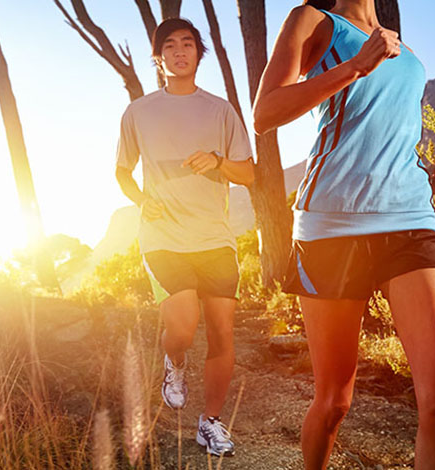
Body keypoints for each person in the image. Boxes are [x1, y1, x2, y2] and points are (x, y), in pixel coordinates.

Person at [252, 1, 435, 469]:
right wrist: (356, 65)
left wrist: (422, 175)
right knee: (334, 402)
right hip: (331, 227)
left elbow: (384, 133)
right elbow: (265, 113)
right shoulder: (311, 21)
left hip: (410, 219)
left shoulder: (401, 48)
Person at [115, 18, 254, 457]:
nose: (179, 51)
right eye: (170, 46)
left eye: (188, 44)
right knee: (182, 323)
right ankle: (174, 362)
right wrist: (140, 199)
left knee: (222, 333)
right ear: (159, 57)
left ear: (199, 53)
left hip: (215, 238)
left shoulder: (221, 110)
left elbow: (248, 173)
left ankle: (210, 423)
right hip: (162, 236)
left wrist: (217, 161)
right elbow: (122, 171)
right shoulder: (138, 112)